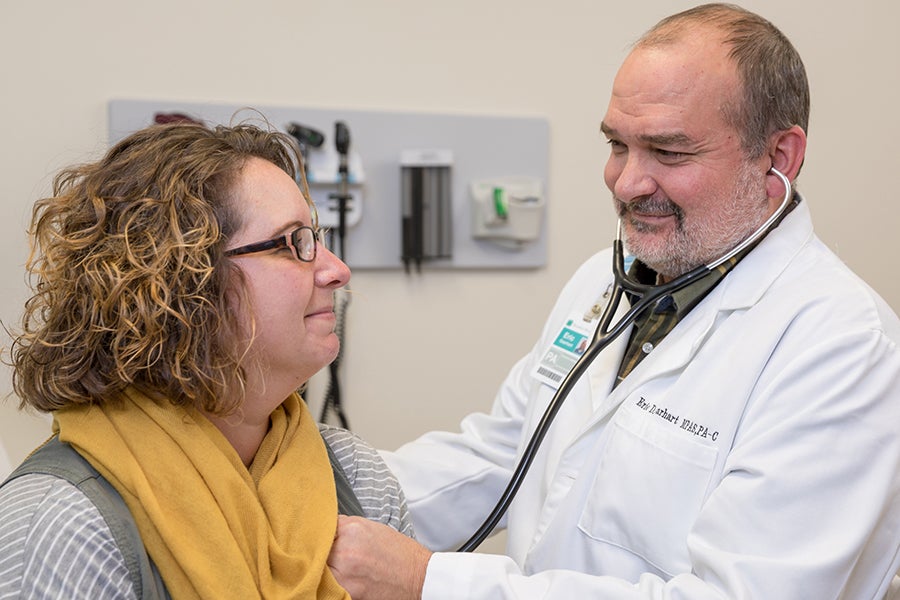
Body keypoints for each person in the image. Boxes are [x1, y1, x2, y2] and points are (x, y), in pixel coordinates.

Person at [326, 4, 900, 599]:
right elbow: (507, 457)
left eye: (670, 152)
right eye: (617, 144)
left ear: (778, 157)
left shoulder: (842, 346)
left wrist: (431, 582)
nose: (626, 183)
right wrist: (316, 490)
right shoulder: (608, 282)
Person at [0, 120, 414, 599]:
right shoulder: (61, 525)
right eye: (294, 242)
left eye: (316, 237)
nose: (337, 270)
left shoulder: (355, 474)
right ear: (183, 282)